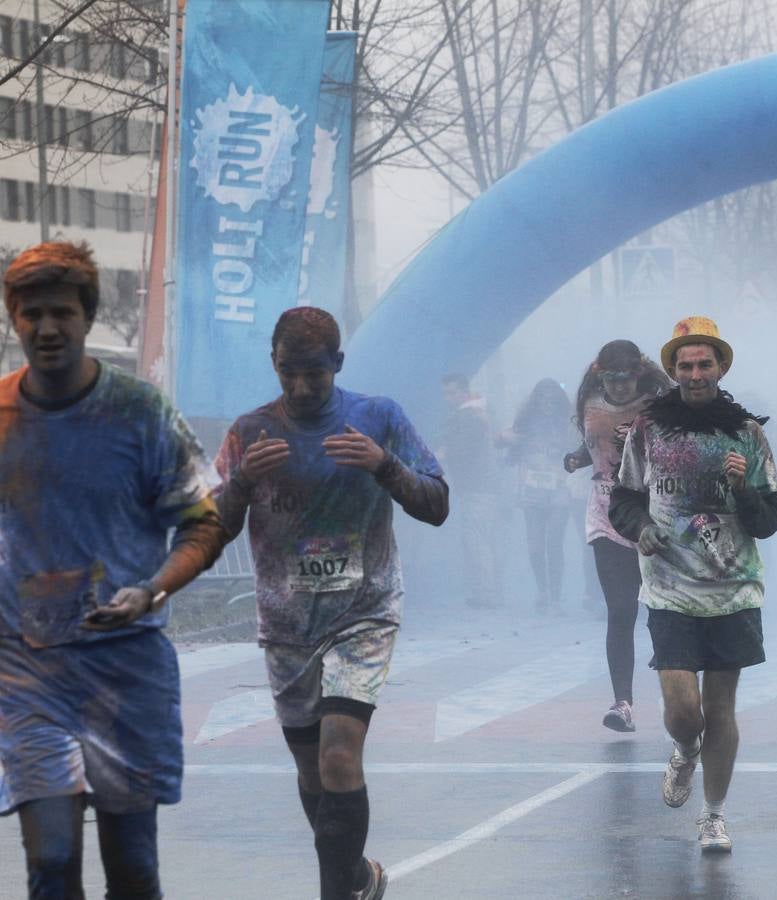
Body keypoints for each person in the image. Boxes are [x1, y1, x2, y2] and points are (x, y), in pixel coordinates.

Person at [0, 241, 226, 899]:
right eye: (31, 313)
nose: (47, 328)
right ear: (13, 318)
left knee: (132, 872)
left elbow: (202, 522)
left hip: (125, 671)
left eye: (62, 312)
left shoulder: (140, 411)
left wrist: (151, 589)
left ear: (87, 316)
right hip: (27, 672)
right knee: (51, 861)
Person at [213, 307, 448, 900]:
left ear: (337, 365)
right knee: (312, 771)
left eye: (314, 374)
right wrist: (240, 482)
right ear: (274, 364)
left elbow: (437, 503)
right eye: (289, 372)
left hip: (362, 613)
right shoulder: (249, 431)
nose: (299, 386)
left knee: (340, 754)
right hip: (287, 622)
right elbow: (206, 529)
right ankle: (356, 875)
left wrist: (384, 465)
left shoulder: (378, 417)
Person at [609, 316, 777, 853]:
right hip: (669, 588)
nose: (695, 373)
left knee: (722, 708)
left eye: (704, 363)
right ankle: (684, 750)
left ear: (721, 366)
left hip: (732, 588)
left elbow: (771, 520)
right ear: (671, 370)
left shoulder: (747, 434)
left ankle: (713, 815)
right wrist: (639, 530)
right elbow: (623, 498)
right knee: (685, 711)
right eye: (685, 365)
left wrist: (740, 488)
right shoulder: (647, 430)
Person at [562, 339, 671, 732]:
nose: (620, 387)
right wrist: (577, 457)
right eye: (612, 379)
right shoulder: (590, 402)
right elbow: (594, 437)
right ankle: (622, 702)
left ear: (639, 375)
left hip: (652, 515)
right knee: (621, 611)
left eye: (627, 378)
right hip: (606, 515)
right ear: (599, 376)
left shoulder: (657, 405)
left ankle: (675, 691)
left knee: (661, 612)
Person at [499, 378, 574, 613]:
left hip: (559, 491)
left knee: (554, 542)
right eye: (542, 398)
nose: (547, 402)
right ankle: (542, 590)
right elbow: (502, 445)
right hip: (531, 491)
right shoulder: (525, 423)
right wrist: (504, 438)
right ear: (536, 400)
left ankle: (555, 595)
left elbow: (580, 448)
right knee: (534, 545)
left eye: (551, 398)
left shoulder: (568, 424)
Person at [439, 373, 502, 609]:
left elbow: (462, 449)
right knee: (485, 539)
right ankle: (491, 591)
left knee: (478, 541)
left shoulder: (468, 416)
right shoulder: (479, 412)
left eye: (452, 392)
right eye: (446, 393)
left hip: (477, 486)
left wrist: (443, 453)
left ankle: (486, 594)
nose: (448, 398)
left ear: (463, 391)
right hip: (483, 485)